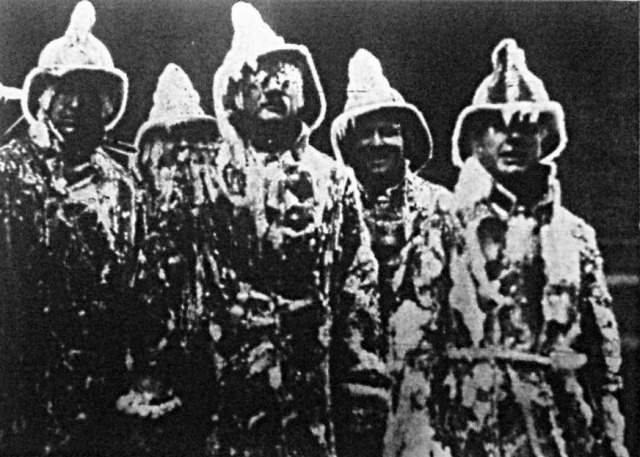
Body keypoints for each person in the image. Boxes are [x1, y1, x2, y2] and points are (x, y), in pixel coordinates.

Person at [428, 38, 629, 457]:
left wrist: (609, 431)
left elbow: (602, 353)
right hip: (465, 426)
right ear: (474, 140)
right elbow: (416, 344)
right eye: (498, 126)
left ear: (545, 137)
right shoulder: (445, 227)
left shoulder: (574, 235)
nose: (514, 136)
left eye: (528, 126)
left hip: (554, 425)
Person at [210, 4, 382, 456]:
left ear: (304, 93)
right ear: (235, 95)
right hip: (226, 389)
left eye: (284, 78)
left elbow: (357, 284)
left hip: (310, 391)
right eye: (258, 79)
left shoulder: (334, 180)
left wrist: (362, 377)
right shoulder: (210, 182)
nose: (272, 88)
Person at [0, 2, 137, 455]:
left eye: (89, 94)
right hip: (23, 384)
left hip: (100, 390)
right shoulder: (8, 173)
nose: (76, 106)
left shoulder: (122, 186)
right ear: (43, 99)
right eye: (65, 92)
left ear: (107, 105)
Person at [331, 49, 455, 457]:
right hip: (353, 392)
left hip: (428, 389)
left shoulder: (442, 207)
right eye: (366, 133)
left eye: (388, 131)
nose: (377, 142)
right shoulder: (330, 210)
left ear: (406, 140)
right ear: (350, 145)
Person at [115, 63, 221, 456]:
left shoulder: (225, 219)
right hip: (151, 392)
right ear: (149, 159)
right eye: (170, 153)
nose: (181, 165)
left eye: (192, 150)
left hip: (215, 388)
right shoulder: (131, 220)